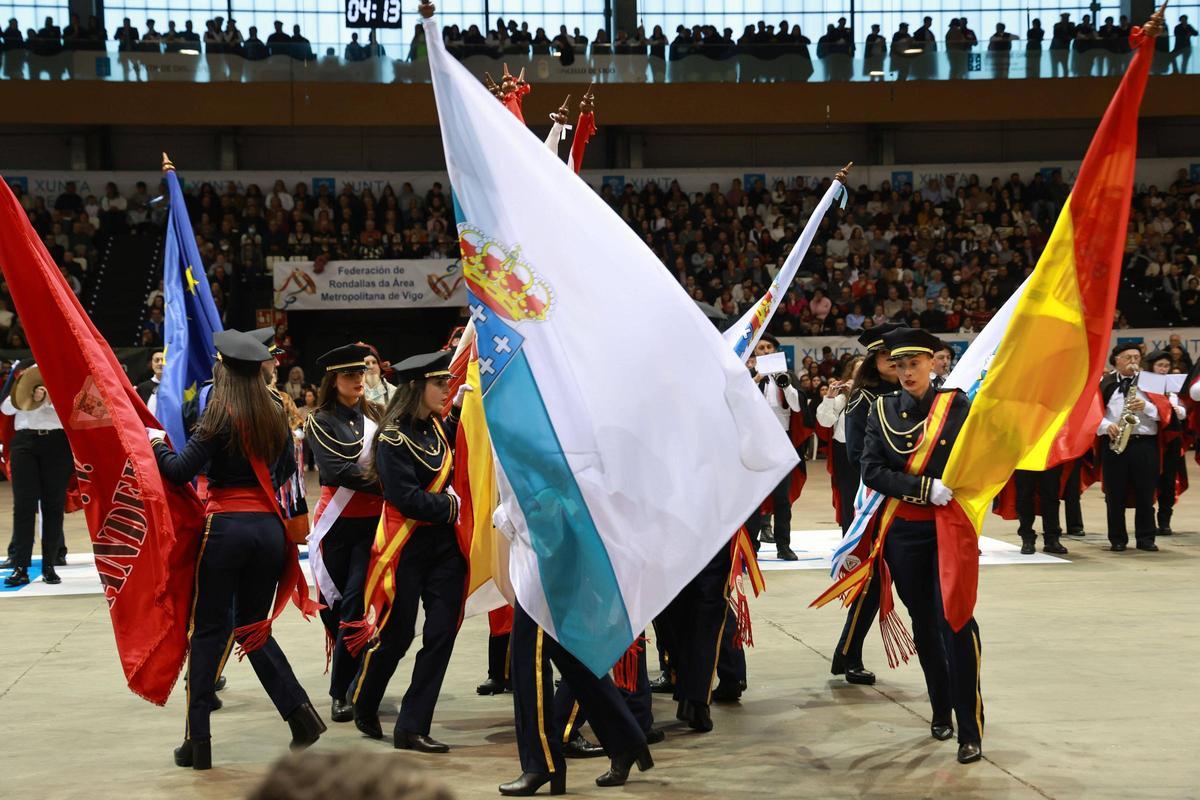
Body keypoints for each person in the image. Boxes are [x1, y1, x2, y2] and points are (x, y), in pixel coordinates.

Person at [150, 329, 325, 770]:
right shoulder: (276, 411)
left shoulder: (218, 413)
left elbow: (178, 470)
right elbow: (287, 473)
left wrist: (154, 444)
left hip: (226, 528)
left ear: (224, 369)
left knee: (209, 632)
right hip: (268, 530)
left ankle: (199, 742)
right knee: (253, 628)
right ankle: (301, 715)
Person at [860, 327, 982, 765]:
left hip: (949, 527)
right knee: (925, 622)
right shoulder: (883, 409)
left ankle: (971, 729)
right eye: (900, 365)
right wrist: (921, 488)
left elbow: (980, 456)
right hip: (905, 531)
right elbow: (871, 469)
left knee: (958, 620)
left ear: (934, 362)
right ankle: (940, 708)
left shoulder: (957, 405)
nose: (907, 372)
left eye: (915, 364)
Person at [348, 350, 469, 753]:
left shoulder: (439, 428)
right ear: (418, 387)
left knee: (441, 633)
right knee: (397, 635)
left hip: (445, 549)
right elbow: (407, 499)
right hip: (406, 546)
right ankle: (364, 698)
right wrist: (454, 507)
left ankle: (412, 725)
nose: (446, 390)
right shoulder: (391, 438)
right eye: (440, 384)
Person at [494, 507, 653, 796]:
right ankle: (626, 741)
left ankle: (542, 764)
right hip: (545, 546)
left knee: (530, 663)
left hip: (547, 551)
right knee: (572, 659)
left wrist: (509, 512)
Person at [305, 344, 386, 724]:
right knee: (334, 605)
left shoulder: (377, 415)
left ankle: (342, 692)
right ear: (333, 380)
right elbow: (335, 471)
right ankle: (353, 676)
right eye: (349, 375)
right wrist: (388, 483)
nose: (357, 380)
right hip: (336, 524)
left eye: (360, 374)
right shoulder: (319, 420)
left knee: (357, 602)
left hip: (372, 524)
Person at [829, 324, 902, 685]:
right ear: (874, 359)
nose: (895, 362)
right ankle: (850, 653)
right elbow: (857, 455)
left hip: (905, 503)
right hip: (871, 504)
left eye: (901, 357)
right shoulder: (865, 399)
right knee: (869, 581)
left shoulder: (911, 395)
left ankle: (846, 652)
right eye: (887, 356)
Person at [1, 366, 72, 586]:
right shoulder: (22, 370)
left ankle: (50, 565)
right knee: (23, 506)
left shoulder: (62, 368)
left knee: (53, 505)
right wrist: (26, 396)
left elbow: (77, 408)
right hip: (25, 443)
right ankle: (20, 566)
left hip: (56, 443)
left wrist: (51, 399)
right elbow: (5, 409)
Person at [1098, 345, 1161, 552]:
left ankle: (1146, 538)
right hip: (1115, 443)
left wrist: (1147, 407)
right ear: (1116, 360)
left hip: (1144, 444)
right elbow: (1092, 415)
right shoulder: (1104, 383)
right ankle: (1117, 538)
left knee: (1145, 492)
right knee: (1114, 494)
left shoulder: (1151, 383)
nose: (1133, 361)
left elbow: (1165, 414)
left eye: (1137, 357)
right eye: (1128, 357)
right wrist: (1107, 426)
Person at [746, 333, 803, 561]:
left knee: (782, 500)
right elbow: (740, 401)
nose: (766, 350)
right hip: (756, 445)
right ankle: (751, 545)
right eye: (761, 348)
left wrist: (786, 384)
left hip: (782, 444)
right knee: (753, 499)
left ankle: (783, 545)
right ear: (755, 354)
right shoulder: (748, 377)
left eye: (769, 347)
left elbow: (798, 408)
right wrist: (758, 378)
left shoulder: (788, 377)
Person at [1146, 350, 1187, 536]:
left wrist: (1178, 410)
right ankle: (1148, 520)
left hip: (1172, 441)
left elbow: (1184, 410)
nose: (1163, 369)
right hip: (1154, 440)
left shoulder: (1173, 385)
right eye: (1160, 365)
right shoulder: (1144, 385)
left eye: (1166, 366)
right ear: (1151, 367)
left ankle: (1164, 521)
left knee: (1169, 481)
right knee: (1150, 480)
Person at [136, 348, 164, 414]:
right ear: (152, 364)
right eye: (156, 360)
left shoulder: (175, 387)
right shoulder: (142, 388)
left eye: (163, 360)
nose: (160, 363)